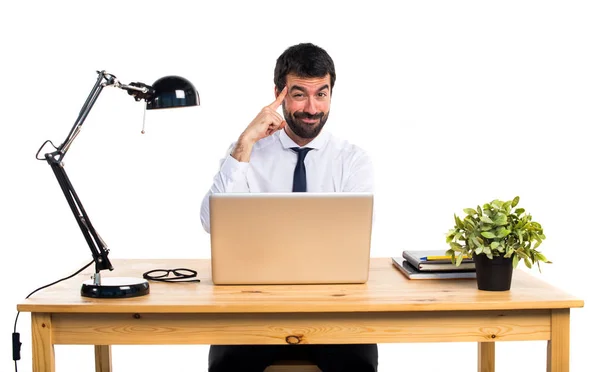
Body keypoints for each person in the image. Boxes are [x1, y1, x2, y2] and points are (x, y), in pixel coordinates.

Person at [200, 42, 377, 372]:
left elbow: (354, 239)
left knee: (358, 365)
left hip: (335, 310)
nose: (312, 107)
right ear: (278, 94)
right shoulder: (247, 152)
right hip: (254, 309)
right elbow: (211, 222)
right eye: (299, 94)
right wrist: (244, 144)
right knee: (226, 365)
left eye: (321, 94)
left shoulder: (353, 160)